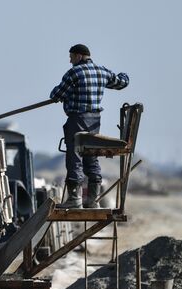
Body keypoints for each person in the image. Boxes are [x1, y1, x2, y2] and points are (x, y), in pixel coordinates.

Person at [50, 44, 129, 209]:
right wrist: (124, 75)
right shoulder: (102, 72)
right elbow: (122, 82)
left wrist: (67, 94)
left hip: (77, 119)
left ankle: (74, 199)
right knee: (90, 155)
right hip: (94, 121)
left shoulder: (74, 73)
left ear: (79, 56)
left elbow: (56, 95)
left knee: (75, 157)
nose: (70, 60)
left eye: (71, 57)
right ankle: (93, 200)